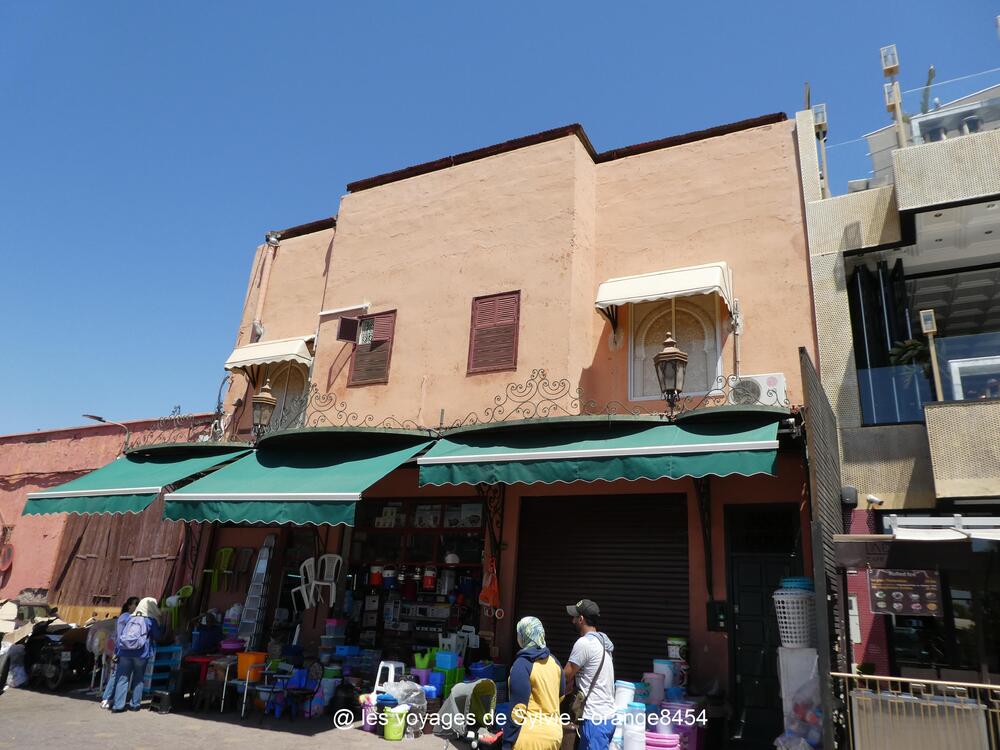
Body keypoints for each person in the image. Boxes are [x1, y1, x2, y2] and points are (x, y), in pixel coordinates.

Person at [563, 600, 616, 750]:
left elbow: (565, 675)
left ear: (581, 619)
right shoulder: (603, 642)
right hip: (606, 717)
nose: (572, 620)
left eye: (574, 617)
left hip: (595, 718)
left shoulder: (584, 643)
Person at [505, 617, 564, 750]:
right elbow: (560, 695)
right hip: (554, 736)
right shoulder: (554, 662)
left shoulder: (522, 665)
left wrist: (507, 741)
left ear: (524, 635)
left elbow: (518, 709)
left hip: (529, 738)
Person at [110, 597, 161, 713]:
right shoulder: (150, 620)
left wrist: (117, 651)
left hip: (125, 652)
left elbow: (122, 634)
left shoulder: (129, 617)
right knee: (138, 678)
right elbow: (157, 636)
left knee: (122, 678)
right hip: (141, 653)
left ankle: (118, 705)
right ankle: (135, 704)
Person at [100, 597, 140, 709]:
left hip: (123, 650)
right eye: (135, 604)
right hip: (120, 649)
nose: (137, 606)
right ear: (129, 606)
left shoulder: (129, 617)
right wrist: (117, 651)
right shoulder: (125, 617)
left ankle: (110, 698)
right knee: (116, 675)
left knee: (118, 675)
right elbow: (120, 635)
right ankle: (106, 697)